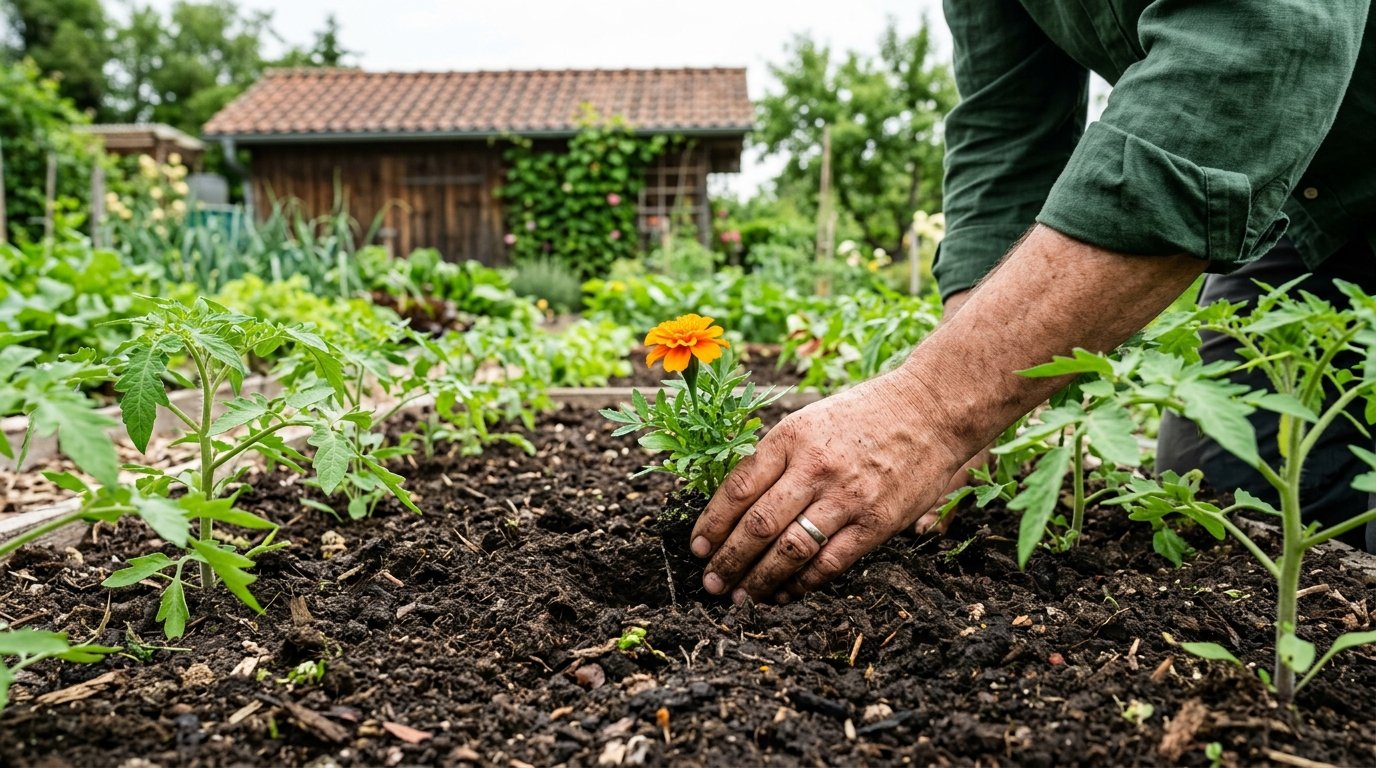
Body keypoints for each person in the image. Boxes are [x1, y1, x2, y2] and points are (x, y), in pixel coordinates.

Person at [688, 0, 1376, 605]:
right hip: (1302, 214)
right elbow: (1005, 134)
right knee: (1223, 516)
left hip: (1291, 140)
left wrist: (932, 407)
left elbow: (1261, 40)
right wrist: (965, 408)